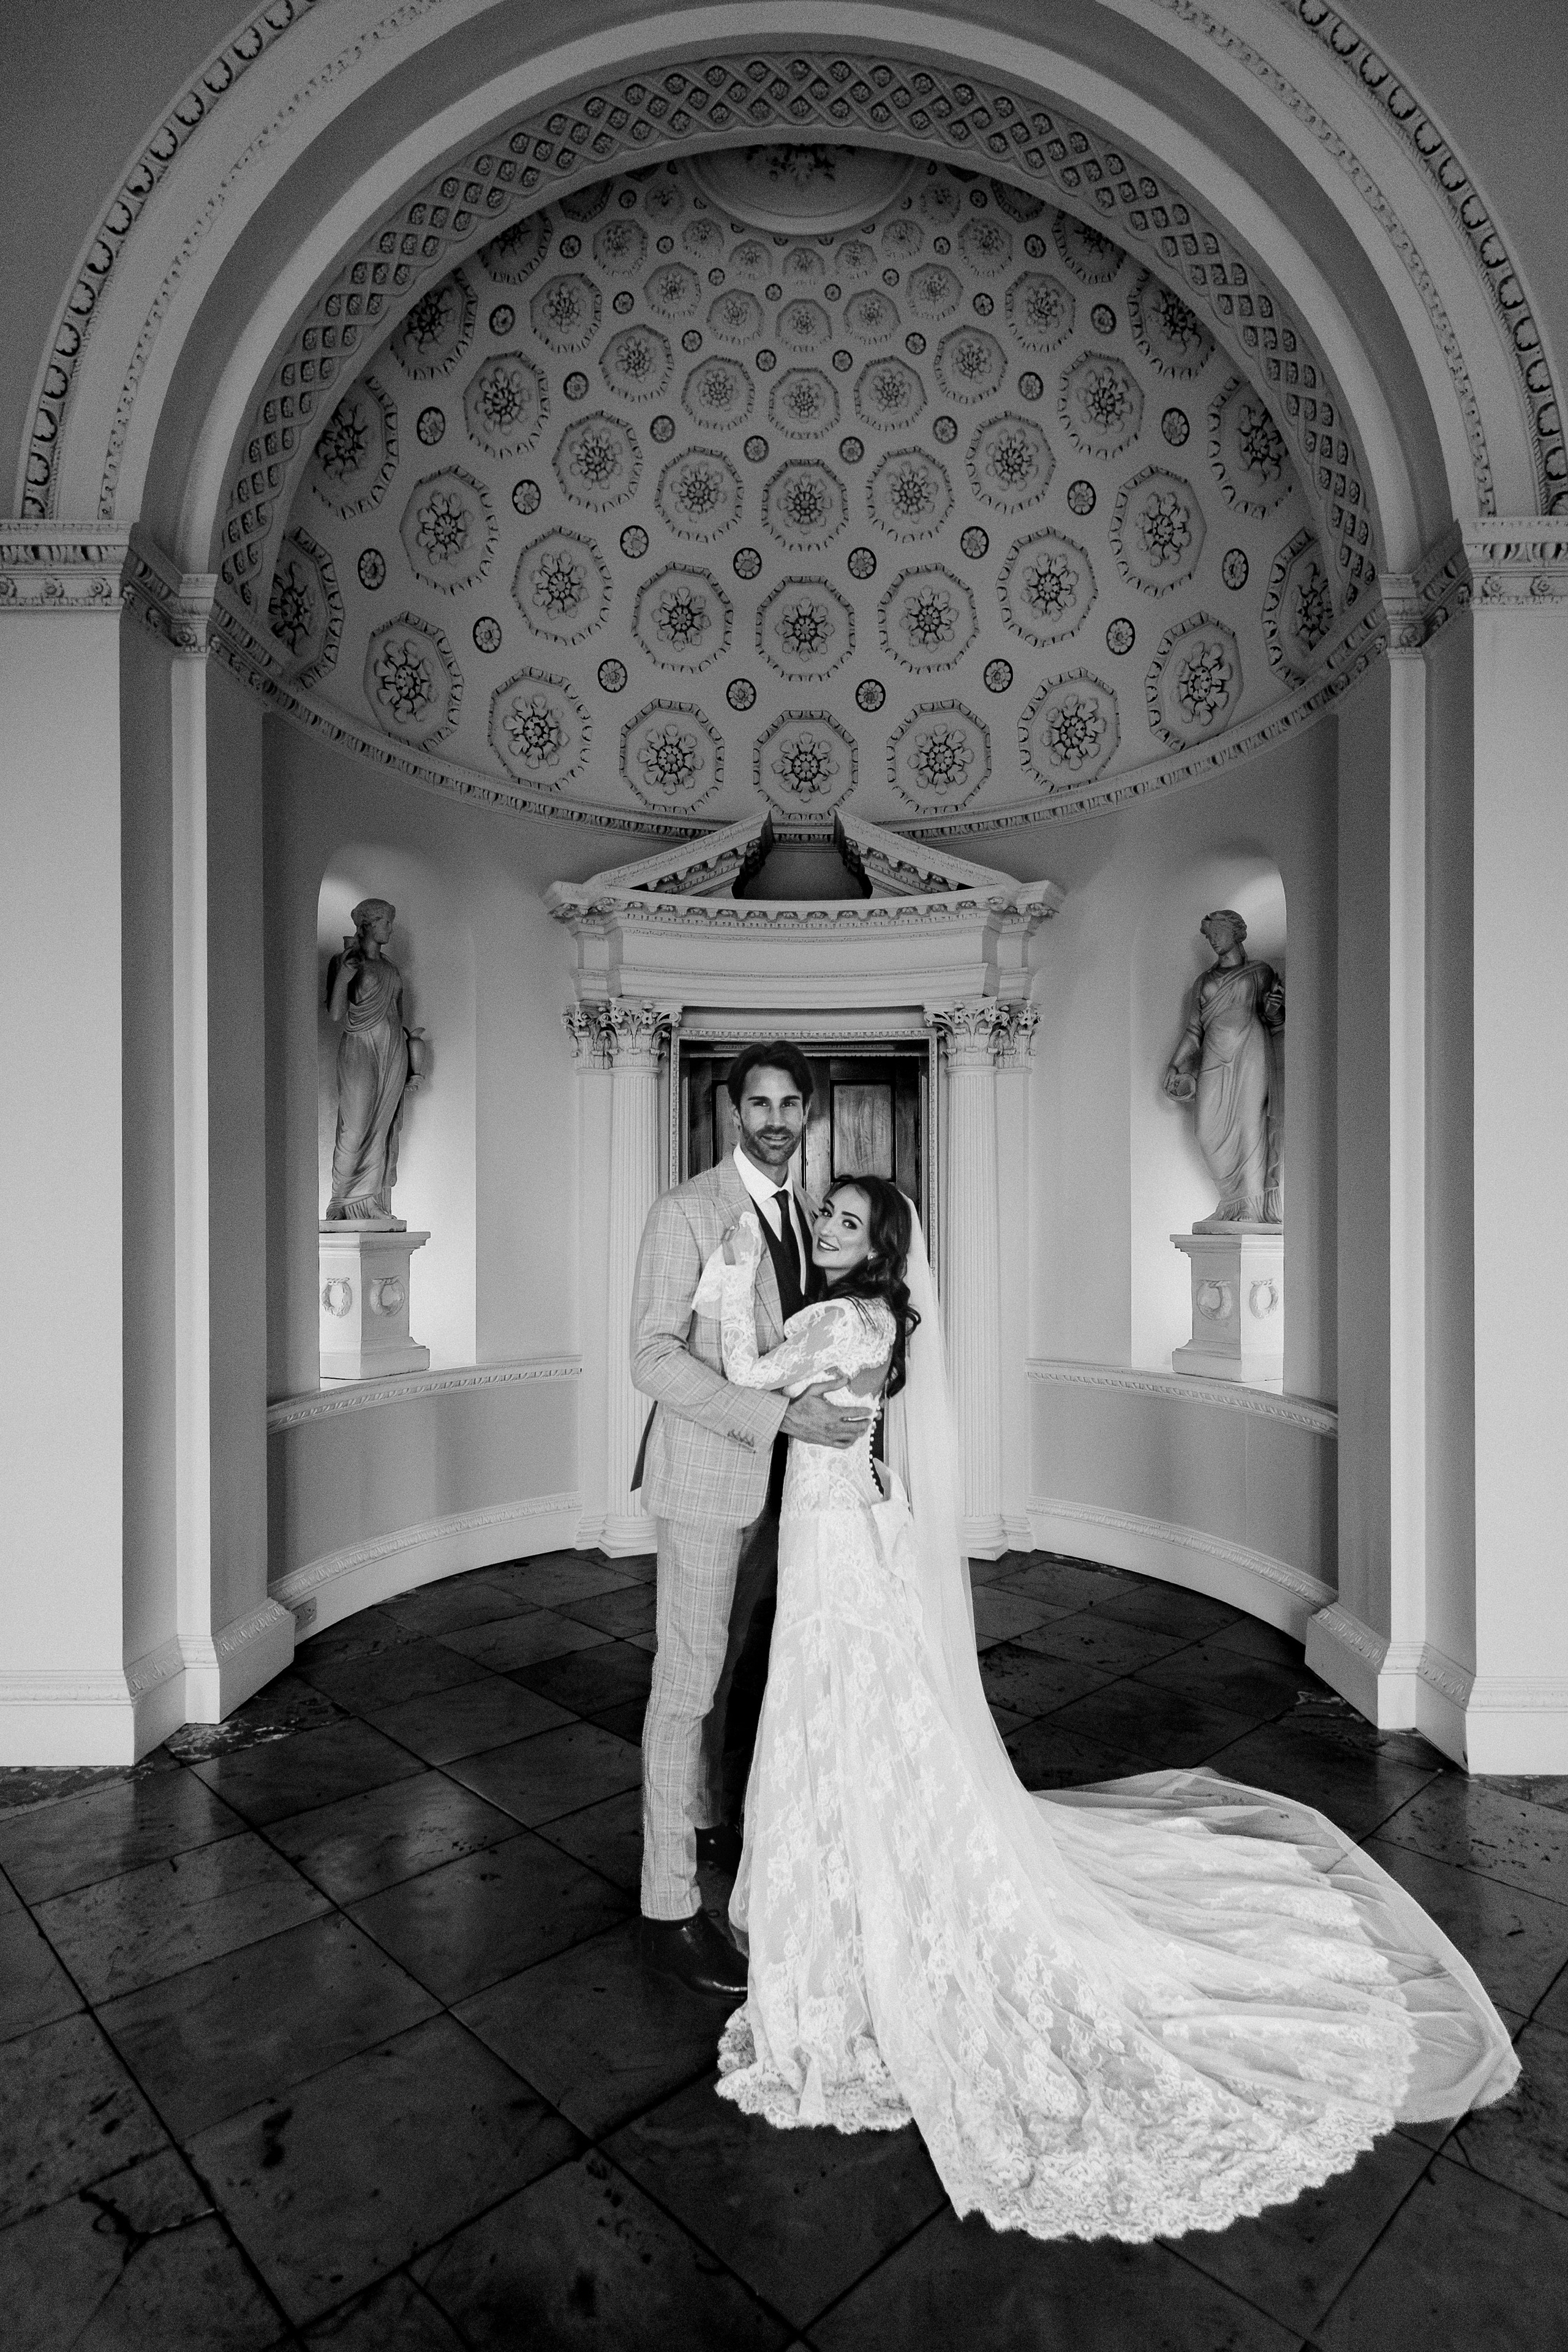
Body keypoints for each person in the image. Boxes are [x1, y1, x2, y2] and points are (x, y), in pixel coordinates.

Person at [695, 1176, 1519, 2242]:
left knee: (832, 1712)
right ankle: (860, 1865)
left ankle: (844, 1890)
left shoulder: (833, 1314)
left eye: (850, 1222)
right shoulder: (881, 1317)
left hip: (830, 1547)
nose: (831, 1231)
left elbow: (746, 1374)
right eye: (830, 1219)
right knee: (865, 1717)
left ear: (882, 1243)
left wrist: (723, 1283)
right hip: (849, 1533)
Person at [628, 1042, 873, 1997]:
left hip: (793, 1491)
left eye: (788, 1104)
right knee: (685, 1679)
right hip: (705, 1478)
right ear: (733, 1110)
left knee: (743, 1671)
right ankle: (668, 1904)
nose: (774, 1118)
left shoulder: (808, 1220)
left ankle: (706, 1812)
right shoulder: (688, 1211)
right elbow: (651, 1358)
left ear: (807, 1113)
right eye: (758, 1102)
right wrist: (780, 1417)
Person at [1163, 909, 1284, 1223]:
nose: (1213, 940)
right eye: (1209, 936)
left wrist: (1274, 1012)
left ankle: (1252, 1206)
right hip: (1215, 1056)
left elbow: (1276, 1020)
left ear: (1237, 933)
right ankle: (1231, 1202)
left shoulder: (1260, 973)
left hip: (1251, 1051)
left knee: (1250, 1125)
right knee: (1206, 1130)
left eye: (1218, 933)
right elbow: (1194, 1031)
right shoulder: (1203, 981)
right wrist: (1175, 1066)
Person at [323, 899, 427, 1221]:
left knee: (382, 1127)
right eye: (385, 922)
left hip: (393, 1050)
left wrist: (412, 1061)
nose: (390, 929)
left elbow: (399, 1017)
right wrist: (343, 976)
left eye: (391, 922)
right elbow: (336, 1013)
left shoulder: (392, 969)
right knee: (354, 1127)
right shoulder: (344, 961)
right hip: (359, 1047)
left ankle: (370, 1202)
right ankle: (341, 1201)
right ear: (367, 924)